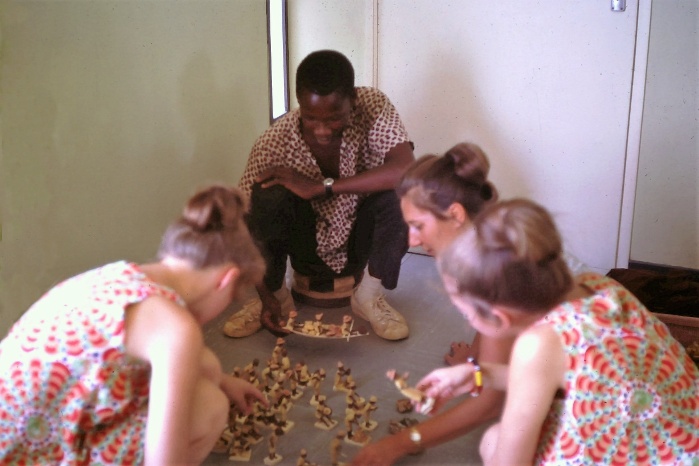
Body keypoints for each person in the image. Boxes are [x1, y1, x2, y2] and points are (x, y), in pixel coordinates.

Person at [0, 185, 269, 465]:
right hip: (23, 456)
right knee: (210, 407)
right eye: (234, 297)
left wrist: (224, 381)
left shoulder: (122, 277)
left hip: (19, 433)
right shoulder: (175, 328)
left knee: (207, 366)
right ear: (226, 280)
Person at [420, 198, 699, 464]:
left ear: (499, 318)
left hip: (645, 451)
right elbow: (558, 374)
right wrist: (477, 375)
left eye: (467, 314)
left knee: (493, 442)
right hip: (684, 438)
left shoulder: (537, 344)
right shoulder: (595, 285)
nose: (468, 322)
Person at [224, 49, 415, 340]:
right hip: (305, 244)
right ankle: (279, 297)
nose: (322, 130)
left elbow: (406, 170)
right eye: (311, 119)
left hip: (357, 238)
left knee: (404, 194)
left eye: (335, 119)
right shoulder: (273, 142)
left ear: (353, 99)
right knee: (266, 196)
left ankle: (368, 297)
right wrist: (266, 296)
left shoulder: (372, 104)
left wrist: (323, 186)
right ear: (299, 103)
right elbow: (243, 224)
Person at [352, 142, 511, 466]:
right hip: (562, 360)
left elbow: (490, 404)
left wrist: (398, 443)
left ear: (455, 215)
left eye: (418, 226)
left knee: (498, 446)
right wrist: (476, 359)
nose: (410, 240)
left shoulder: (492, 275)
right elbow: (495, 326)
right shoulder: (487, 240)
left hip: (599, 383)